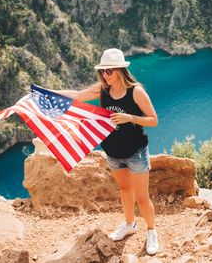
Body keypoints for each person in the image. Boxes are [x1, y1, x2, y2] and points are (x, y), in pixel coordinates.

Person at [53, 48, 160, 255]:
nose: (105, 75)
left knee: (142, 198)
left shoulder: (136, 92)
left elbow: (154, 120)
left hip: (135, 151)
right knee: (124, 189)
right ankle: (129, 224)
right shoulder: (102, 89)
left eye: (108, 71)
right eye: (102, 71)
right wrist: (47, 93)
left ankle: (151, 231)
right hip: (112, 151)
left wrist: (130, 118)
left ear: (120, 70)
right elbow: (76, 96)